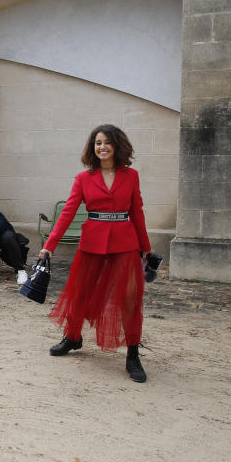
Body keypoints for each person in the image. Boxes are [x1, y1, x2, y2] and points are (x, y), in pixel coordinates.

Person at [39, 124, 153, 383]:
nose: (102, 147)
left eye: (107, 142)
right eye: (97, 142)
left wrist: (146, 246)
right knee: (79, 293)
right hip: (91, 243)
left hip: (125, 244)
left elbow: (137, 212)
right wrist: (50, 244)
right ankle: (72, 337)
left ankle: (133, 355)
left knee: (129, 299)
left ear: (117, 145)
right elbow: (68, 212)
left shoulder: (131, 175)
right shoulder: (83, 178)